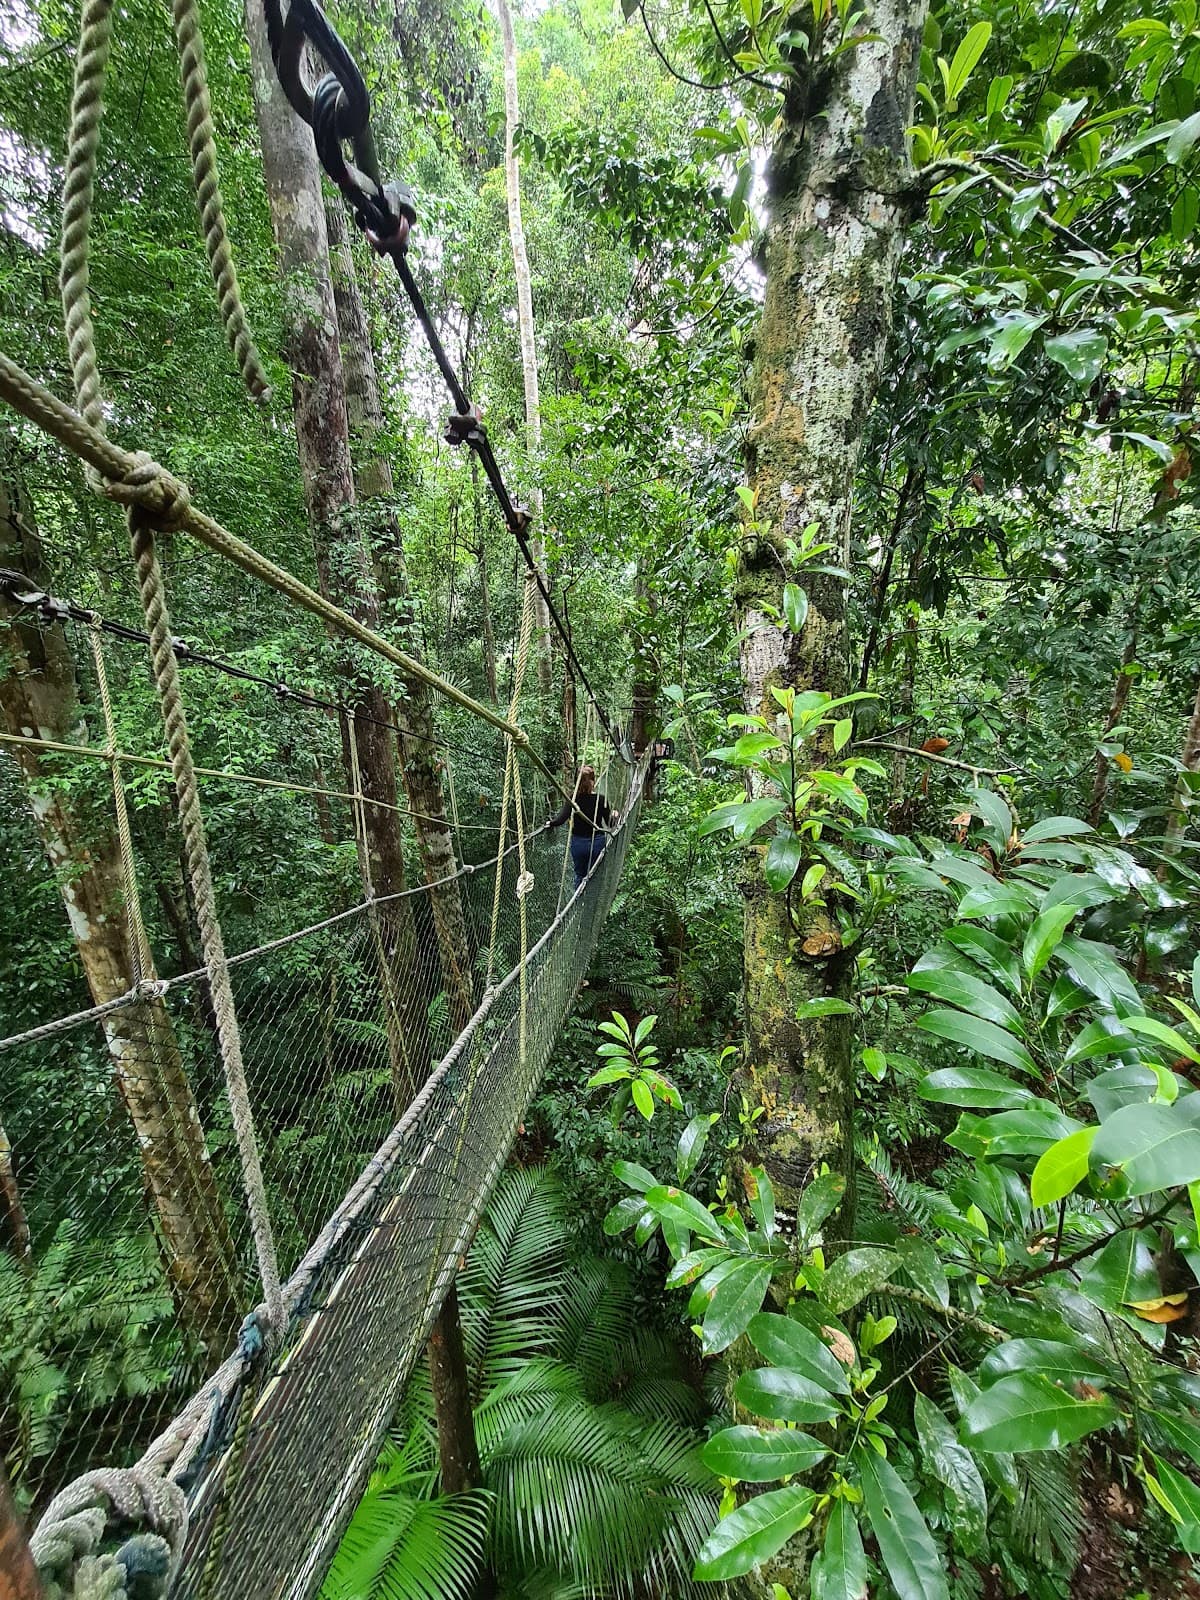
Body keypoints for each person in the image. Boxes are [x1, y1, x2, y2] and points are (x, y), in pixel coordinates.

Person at [547, 764, 615, 887]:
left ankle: (580, 903)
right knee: (596, 875)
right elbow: (610, 824)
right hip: (597, 842)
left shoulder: (572, 800)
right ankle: (595, 902)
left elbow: (560, 820)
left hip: (579, 844)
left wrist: (549, 823)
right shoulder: (601, 799)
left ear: (576, 782)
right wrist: (615, 816)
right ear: (593, 781)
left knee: (580, 875)